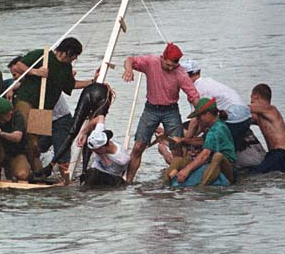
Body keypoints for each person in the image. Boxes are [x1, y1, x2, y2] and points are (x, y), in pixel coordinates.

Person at [13, 37, 94, 173]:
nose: (74, 59)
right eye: (74, 56)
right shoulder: (43, 55)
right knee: (28, 137)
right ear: (67, 52)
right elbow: (18, 66)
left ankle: (36, 173)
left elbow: (71, 85)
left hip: (43, 109)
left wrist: (92, 81)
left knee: (35, 145)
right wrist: (36, 72)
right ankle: (20, 166)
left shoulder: (66, 67)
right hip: (27, 101)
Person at [122, 43, 200, 182]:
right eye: (168, 65)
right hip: (151, 109)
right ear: (162, 58)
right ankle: (128, 181)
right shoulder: (151, 62)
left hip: (171, 110)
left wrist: (202, 113)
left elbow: (193, 95)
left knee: (177, 148)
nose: (170, 68)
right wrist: (129, 70)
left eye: (173, 66)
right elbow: (130, 60)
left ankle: (178, 181)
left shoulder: (180, 73)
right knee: (138, 146)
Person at [42, 81, 114, 178]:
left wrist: (84, 132)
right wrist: (84, 132)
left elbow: (95, 122)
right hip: (95, 93)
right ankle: (82, 170)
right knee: (78, 133)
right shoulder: (99, 128)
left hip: (89, 92)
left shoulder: (99, 125)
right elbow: (97, 121)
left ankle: (52, 164)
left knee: (73, 132)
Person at [166, 97, 236, 186]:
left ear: (208, 114)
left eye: (199, 116)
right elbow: (202, 141)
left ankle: (201, 187)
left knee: (218, 156)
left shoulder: (217, 129)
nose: (198, 120)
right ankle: (165, 185)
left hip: (225, 168)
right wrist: (183, 140)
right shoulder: (212, 128)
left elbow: (205, 154)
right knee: (177, 161)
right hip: (210, 164)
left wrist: (187, 170)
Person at [249, 83, 285, 174]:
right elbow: (245, 118)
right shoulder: (260, 117)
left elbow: (244, 109)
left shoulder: (271, 110)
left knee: (255, 175)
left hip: (280, 154)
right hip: (272, 154)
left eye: (251, 100)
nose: (251, 102)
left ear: (256, 97)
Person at [80, 119, 130, 187]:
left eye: (96, 150)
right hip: (95, 171)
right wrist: (83, 133)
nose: (94, 152)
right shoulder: (98, 135)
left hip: (111, 177)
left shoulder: (122, 159)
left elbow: (125, 170)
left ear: (104, 147)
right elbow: (100, 117)